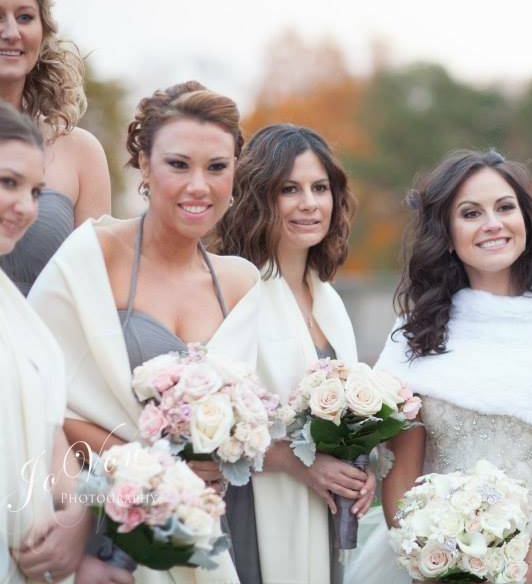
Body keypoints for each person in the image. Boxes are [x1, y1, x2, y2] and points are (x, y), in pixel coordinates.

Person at [346, 149, 532, 584]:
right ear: (447, 233)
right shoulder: (418, 329)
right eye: (471, 213)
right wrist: (425, 563)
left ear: (526, 218)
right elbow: (401, 473)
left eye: (505, 207)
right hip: (433, 562)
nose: (493, 224)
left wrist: (525, 574)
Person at [29, 81, 258, 584]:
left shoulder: (242, 283)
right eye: (179, 165)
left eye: (216, 167)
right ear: (144, 167)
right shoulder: (91, 257)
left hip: (205, 532)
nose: (199, 185)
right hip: (88, 520)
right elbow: (40, 397)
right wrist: (155, 471)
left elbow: (260, 418)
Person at [215, 124, 374, 584]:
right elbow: (211, 419)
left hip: (322, 510)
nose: (310, 203)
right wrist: (296, 462)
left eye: (320, 188)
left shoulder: (329, 299)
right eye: (290, 189)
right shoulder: (238, 288)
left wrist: (361, 473)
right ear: (260, 198)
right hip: (252, 508)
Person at [0, 102, 130, 584]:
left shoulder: (17, 314)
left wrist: (75, 514)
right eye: (8, 183)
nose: (26, 208)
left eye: (36, 191)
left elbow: (48, 426)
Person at [0, 0, 110, 295]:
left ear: (43, 30)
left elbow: (96, 288)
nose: (11, 32)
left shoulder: (80, 152)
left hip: (48, 345)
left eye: (25, 17)